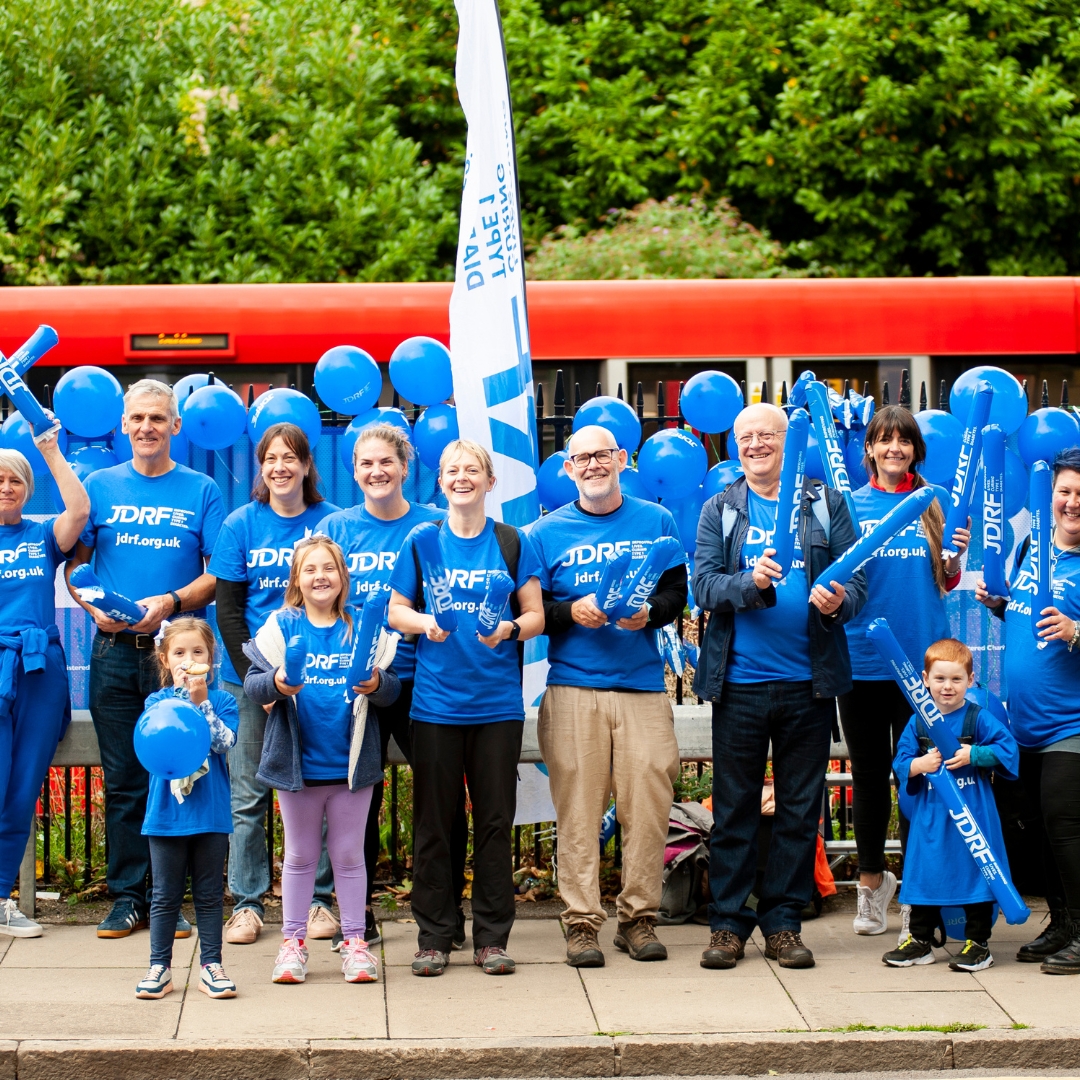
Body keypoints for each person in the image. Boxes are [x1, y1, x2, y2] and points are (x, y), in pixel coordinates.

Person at [693, 401, 866, 970]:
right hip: (740, 684)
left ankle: (784, 922)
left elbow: (857, 578)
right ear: (735, 445)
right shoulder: (721, 508)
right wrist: (749, 582)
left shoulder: (825, 503)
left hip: (808, 684)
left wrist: (840, 599)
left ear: (787, 441)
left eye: (767, 435)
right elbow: (704, 587)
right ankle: (726, 924)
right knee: (734, 807)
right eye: (746, 437)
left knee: (799, 808)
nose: (756, 444)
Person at [66, 379, 225, 939]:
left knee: (181, 774)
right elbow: (76, 567)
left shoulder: (202, 489)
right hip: (113, 654)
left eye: (157, 418)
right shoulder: (99, 485)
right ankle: (128, 898)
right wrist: (91, 608)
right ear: (122, 425)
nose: (146, 428)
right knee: (125, 781)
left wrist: (172, 603)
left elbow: (217, 575)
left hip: (176, 660)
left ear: (176, 426)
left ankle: (168, 899)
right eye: (136, 419)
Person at [529, 424, 686, 967]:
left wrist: (652, 613)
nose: (592, 465)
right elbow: (530, 611)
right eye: (580, 459)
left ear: (622, 459)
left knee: (647, 805)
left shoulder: (657, 520)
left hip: (642, 686)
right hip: (573, 687)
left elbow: (677, 592)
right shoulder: (544, 533)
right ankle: (580, 924)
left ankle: (639, 919)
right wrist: (569, 612)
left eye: (602, 455)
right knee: (578, 811)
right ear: (567, 469)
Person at [388, 439, 544, 977]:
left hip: (497, 707)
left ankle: (492, 939)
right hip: (434, 706)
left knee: (496, 823)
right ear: (440, 482)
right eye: (452, 470)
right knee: (435, 823)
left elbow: (536, 615)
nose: (461, 478)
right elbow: (395, 609)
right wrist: (422, 624)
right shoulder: (421, 541)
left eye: (471, 469)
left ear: (489, 481)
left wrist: (509, 629)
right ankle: (435, 935)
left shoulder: (510, 541)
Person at [318, 424, 465, 951]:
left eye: (386, 462)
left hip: (426, 682)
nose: (376, 472)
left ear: (406, 468)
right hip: (357, 687)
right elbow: (317, 601)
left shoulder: (434, 524)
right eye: (365, 464)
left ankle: (446, 917)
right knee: (357, 803)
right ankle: (358, 919)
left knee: (441, 803)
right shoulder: (336, 527)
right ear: (354, 470)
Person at [243, 536, 399, 985]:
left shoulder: (361, 628)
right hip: (300, 768)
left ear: (342, 576)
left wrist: (375, 685)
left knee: (349, 856)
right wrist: (277, 682)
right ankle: (292, 944)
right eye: (309, 570)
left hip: (350, 768)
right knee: (299, 856)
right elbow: (255, 686)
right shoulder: (281, 626)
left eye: (328, 568)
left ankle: (354, 943)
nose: (320, 577)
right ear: (296, 579)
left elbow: (392, 689)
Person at [839, 406, 970, 937]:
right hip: (862, 660)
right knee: (870, 777)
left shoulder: (934, 502)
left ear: (916, 449)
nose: (894, 448)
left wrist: (954, 562)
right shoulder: (849, 504)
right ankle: (872, 888)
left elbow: (948, 580)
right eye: (884, 440)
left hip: (921, 667)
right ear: (869, 449)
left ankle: (920, 892)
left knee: (923, 776)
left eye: (904, 441)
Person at [210, 422, 340, 946]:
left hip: (321, 681)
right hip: (251, 682)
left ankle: (321, 903)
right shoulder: (241, 524)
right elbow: (228, 611)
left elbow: (343, 594)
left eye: (291, 457)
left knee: (321, 790)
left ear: (307, 466)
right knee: (249, 796)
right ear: (261, 468)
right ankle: (246, 903)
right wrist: (261, 685)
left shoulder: (333, 522)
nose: (280, 467)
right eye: (270, 459)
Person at [976, 446, 1080, 974]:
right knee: (1038, 828)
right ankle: (1062, 923)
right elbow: (1019, 618)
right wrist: (997, 603)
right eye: (1064, 491)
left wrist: (1077, 630)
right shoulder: (1029, 548)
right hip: (1027, 723)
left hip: (1073, 724)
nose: (1072, 502)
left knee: (1066, 827)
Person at [0, 433, 89, 938]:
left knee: (21, 789)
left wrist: (49, 450)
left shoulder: (39, 537)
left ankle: (0, 897)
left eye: (15, 480)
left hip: (38, 670)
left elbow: (78, 509)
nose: (7, 487)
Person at [882, 638, 1017, 971]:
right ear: (925, 679)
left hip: (975, 816)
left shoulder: (978, 719)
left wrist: (976, 754)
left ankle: (977, 944)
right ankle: (919, 940)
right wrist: (918, 766)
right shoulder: (918, 722)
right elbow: (900, 760)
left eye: (956, 679)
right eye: (939, 679)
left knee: (978, 876)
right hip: (932, 817)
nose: (947, 687)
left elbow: (1009, 753)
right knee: (925, 874)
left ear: (970, 681)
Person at [135, 618, 240, 1000]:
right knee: (164, 894)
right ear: (165, 660)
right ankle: (158, 967)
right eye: (179, 653)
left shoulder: (224, 701)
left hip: (210, 813)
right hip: (165, 814)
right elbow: (154, 746)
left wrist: (203, 704)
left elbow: (224, 743)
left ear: (211, 660)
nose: (188, 659)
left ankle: (211, 965)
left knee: (210, 894)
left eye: (198, 652)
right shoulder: (156, 703)